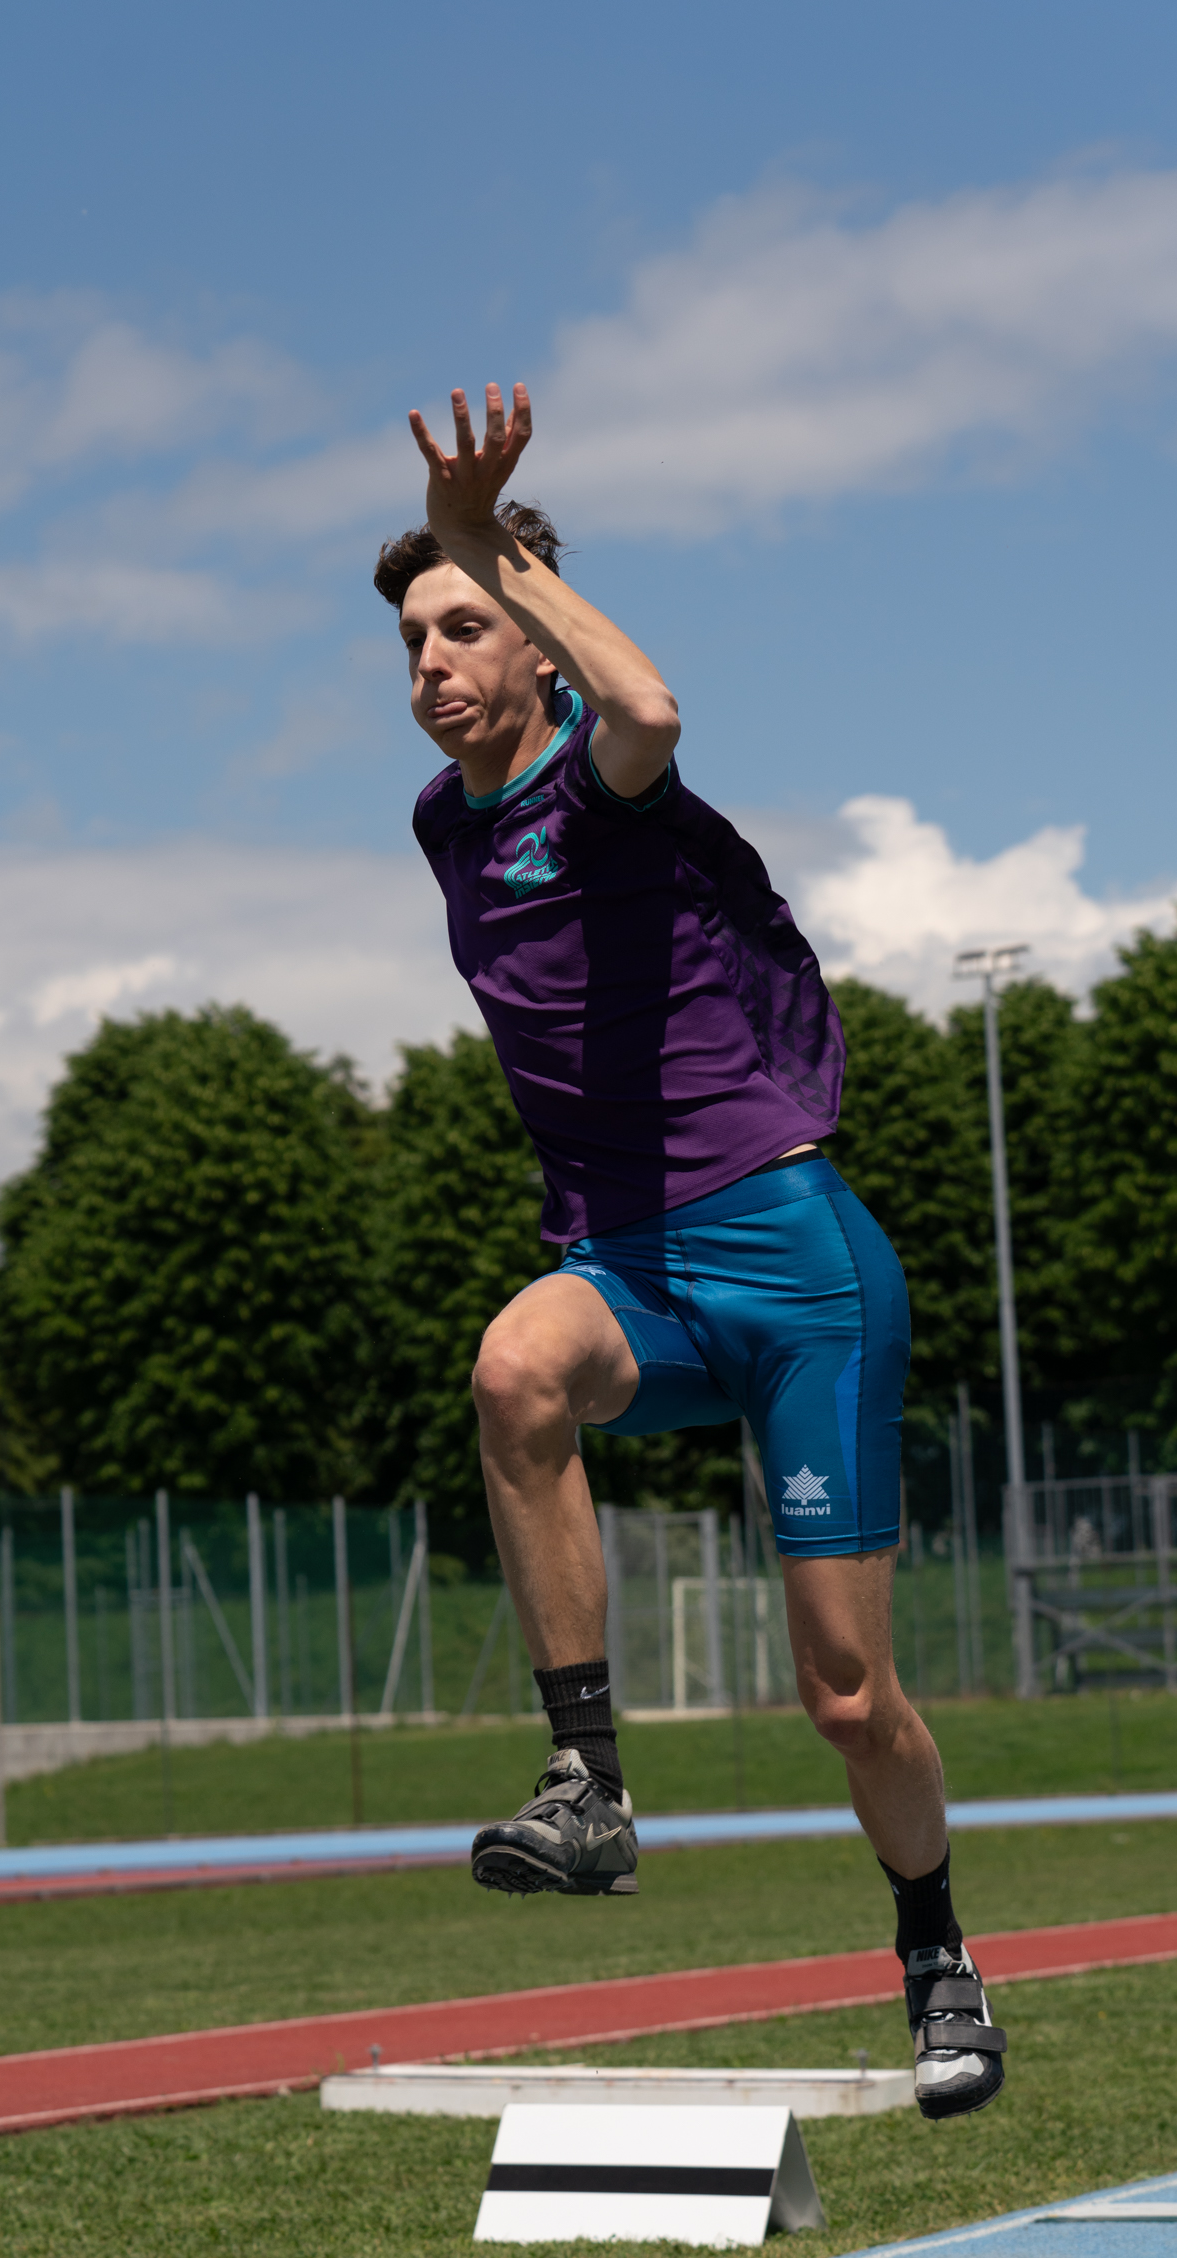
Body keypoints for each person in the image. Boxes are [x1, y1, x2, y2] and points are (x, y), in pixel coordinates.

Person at [373, 383, 1005, 2120]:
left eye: (461, 625)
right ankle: (587, 1784)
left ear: (536, 645)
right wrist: (459, 553)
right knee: (513, 1369)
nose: (428, 661)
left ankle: (936, 1952)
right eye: (412, 637)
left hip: (795, 1268)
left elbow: (647, 705)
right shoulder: (443, 825)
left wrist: (487, 535)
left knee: (846, 1698)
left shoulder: (607, 784)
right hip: (632, 1267)